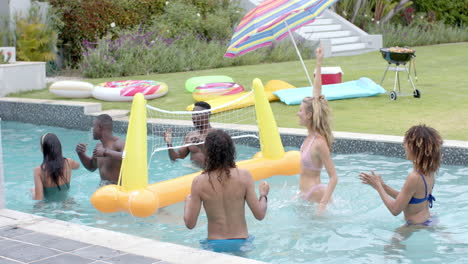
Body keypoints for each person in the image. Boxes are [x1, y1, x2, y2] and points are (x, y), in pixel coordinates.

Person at [183, 129, 269, 253]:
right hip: (241, 243)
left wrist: (188, 202)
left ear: (207, 152)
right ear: (231, 150)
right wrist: (263, 195)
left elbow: (190, 224)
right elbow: (260, 214)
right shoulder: (244, 176)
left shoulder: (199, 181)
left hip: (214, 244)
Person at [359, 124, 443, 226]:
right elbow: (408, 199)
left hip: (415, 226)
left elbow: (395, 210)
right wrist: (383, 186)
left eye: (407, 143)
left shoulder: (414, 177)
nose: (404, 145)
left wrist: (378, 187)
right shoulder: (429, 172)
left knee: (392, 242)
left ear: (416, 149)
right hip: (429, 219)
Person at [297, 47, 338, 214]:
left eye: (300, 111)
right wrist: (319, 62)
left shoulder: (319, 142)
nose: (298, 113)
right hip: (304, 194)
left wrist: (322, 205)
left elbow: (334, 177)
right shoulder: (310, 135)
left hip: (316, 194)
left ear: (308, 116)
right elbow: (317, 95)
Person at [75, 114, 124, 185]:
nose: (92, 129)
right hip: (103, 191)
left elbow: (128, 156)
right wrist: (81, 154)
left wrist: (105, 152)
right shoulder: (99, 147)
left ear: (100, 127)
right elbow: (91, 167)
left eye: (94, 126)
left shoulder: (118, 143)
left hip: (117, 193)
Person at [164, 101, 213, 167]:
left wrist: (201, 147)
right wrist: (169, 143)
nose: (192, 117)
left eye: (196, 114)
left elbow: (221, 160)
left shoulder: (216, 135)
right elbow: (176, 158)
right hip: (193, 172)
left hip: (211, 173)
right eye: (192, 114)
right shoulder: (190, 136)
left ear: (206, 115)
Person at [32, 133, 80, 201]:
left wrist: (33, 191)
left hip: (49, 207)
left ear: (42, 149)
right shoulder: (69, 162)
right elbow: (78, 166)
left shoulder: (38, 170)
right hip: (67, 203)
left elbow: (39, 199)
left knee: (32, 189)